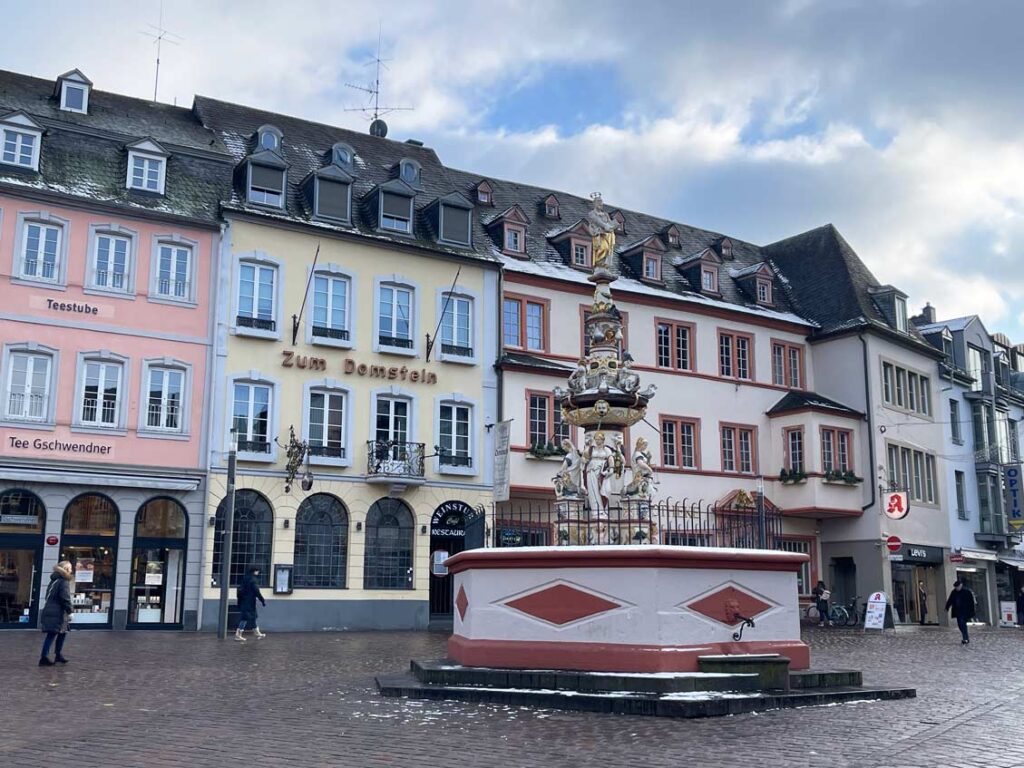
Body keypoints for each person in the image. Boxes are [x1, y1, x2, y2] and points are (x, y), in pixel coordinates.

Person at [39, 561, 73, 666]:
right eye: (70, 568)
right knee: (52, 634)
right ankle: (44, 657)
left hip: (50, 609)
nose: (71, 570)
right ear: (66, 569)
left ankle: (58, 654)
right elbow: (65, 598)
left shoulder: (54, 580)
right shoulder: (63, 582)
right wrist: (70, 611)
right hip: (58, 611)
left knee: (62, 632)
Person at [235, 565, 267, 642]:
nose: (258, 573)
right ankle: (238, 635)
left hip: (243, 600)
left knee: (253, 616)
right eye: (258, 571)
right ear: (255, 571)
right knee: (245, 618)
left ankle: (257, 632)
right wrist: (262, 600)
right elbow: (256, 591)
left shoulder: (245, 578)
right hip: (249, 601)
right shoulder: (253, 580)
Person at [945, 580, 976, 645]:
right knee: (960, 625)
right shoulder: (954, 592)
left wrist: (972, 611)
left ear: (961, 585)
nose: (957, 588)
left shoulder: (967, 592)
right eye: (955, 587)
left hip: (965, 611)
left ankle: (965, 638)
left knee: (962, 623)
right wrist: (947, 607)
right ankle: (965, 637)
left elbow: (971, 602)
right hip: (957, 611)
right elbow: (950, 600)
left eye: (957, 587)